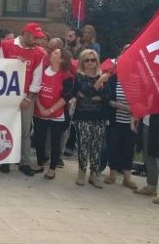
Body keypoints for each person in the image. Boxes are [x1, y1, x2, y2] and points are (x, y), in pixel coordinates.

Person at [0, 22, 47, 176]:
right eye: (35, 37)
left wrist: (29, 98)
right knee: (7, 127)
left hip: (26, 96)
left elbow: (37, 78)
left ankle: (24, 162)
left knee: (25, 131)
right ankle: (5, 160)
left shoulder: (39, 53)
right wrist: (12, 64)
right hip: (7, 95)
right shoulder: (6, 46)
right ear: (26, 34)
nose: (37, 40)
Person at [33, 48, 75, 180]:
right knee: (39, 139)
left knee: (55, 142)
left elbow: (66, 97)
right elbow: (35, 89)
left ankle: (52, 169)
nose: (51, 53)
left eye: (56, 53)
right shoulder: (41, 71)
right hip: (39, 112)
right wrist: (40, 107)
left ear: (62, 59)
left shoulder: (67, 76)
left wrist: (50, 110)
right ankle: (40, 163)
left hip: (57, 114)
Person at [72, 49, 111, 187]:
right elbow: (86, 91)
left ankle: (94, 173)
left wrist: (93, 93)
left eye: (93, 60)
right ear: (82, 62)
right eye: (87, 60)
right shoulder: (79, 76)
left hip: (99, 116)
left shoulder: (104, 76)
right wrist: (98, 83)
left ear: (97, 61)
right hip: (83, 115)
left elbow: (107, 96)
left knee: (96, 146)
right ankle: (82, 171)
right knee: (83, 144)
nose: (90, 63)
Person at [103, 45, 139, 190]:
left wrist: (136, 109)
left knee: (128, 149)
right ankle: (112, 174)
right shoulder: (113, 79)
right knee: (114, 146)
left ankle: (127, 178)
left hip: (131, 122)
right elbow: (108, 100)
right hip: (115, 120)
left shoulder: (137, 80)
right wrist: (124, 107)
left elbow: (142, 100)